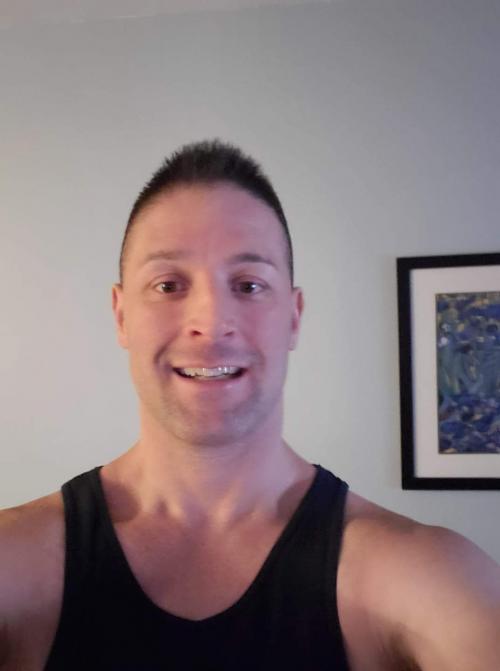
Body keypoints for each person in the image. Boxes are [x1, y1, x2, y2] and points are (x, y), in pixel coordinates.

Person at [1, 140, 499, 671]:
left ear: (294, 317)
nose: (211, 322)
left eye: (248, 285)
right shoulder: (18, 564)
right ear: (122, 316)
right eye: (168, 285)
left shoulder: (425, 579)